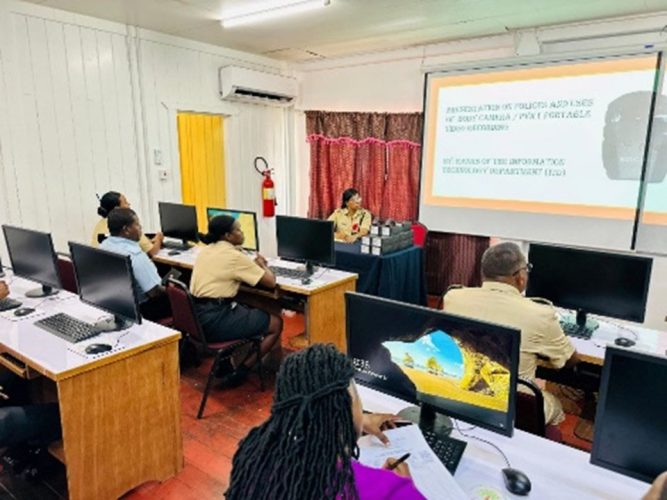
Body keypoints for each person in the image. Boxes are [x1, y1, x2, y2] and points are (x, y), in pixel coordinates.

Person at [226, 343, 425, 500]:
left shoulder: (252, 458)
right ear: (348, 411)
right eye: (356, 400)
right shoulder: (391, 491)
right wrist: (402, 487)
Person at [442, 242, 578, 426]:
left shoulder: (454, 297)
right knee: (555, 404)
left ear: (483, 273)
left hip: (463, 392)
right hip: (514, 407)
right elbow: (568, 361)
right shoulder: (540, 314)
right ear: (520, 277)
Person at [190, 215, 282, 380]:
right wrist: (261, 264)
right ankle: (242, 371)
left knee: (244, 307)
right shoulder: (234, 257)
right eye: (238, 230)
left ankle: (225, 364)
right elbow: (270, 282)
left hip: (196, 318)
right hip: (215, 321)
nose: (242, 233)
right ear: (227, 236)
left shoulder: (206, 250)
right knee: (275, 323)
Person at [99, 208, 171, 322]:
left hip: (117, 304)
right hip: (144, 309)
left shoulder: (104, 245)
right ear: (126, 229)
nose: (140, 228)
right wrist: (174, 291)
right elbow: (154, 292)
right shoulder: (134, 255)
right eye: (137, 225)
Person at [91, 191, 163, 257]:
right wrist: (159, 238)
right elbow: (152, 251)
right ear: (117, 209)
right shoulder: (127, 225)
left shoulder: (100, 224)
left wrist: (150, 241)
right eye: (125, 202)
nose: (129, 204)